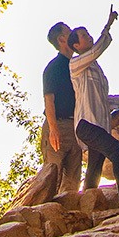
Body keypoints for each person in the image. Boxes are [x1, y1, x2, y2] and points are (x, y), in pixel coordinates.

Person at [68, 7, 119, 201]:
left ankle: (87, 205)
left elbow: (105, 98)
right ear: (76, 45)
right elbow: (96, 51)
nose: (89, 37)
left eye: (88, 34)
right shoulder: (76, 64)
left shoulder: (96, 69)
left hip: (100, 125)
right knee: (117, 150)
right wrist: (108, 25)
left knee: (94, 171)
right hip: (87, 124)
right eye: (84, 36)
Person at [41, 21, 82, 191]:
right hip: (58, 125)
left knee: (73, 180)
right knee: (52, 177)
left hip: (75, 126)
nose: (73, 33)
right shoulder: (54, 68)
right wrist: (53, 129)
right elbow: (49, 99)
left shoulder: (76, 65)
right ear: (62, 39)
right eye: (69, 31)